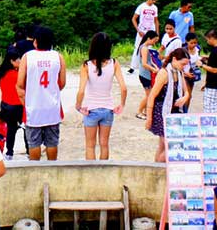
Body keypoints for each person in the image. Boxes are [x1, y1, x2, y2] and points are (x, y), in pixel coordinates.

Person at [16, 25, 67, 161]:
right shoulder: (58, 57)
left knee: (34, 143)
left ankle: (35, 169)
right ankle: (52, 167)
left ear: (35, 41)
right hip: (52, 107)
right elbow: (62, 83)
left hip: (33, 107)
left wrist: (26, 99)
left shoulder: (28, 57)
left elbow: (20, 84)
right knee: (52, 142)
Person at [75, 32, 127, 160]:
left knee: (90, 145)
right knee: (104, 144)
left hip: (91, 110)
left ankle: (92, 171)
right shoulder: (114, 63)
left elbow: (81, 91)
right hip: (108, 109)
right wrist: (122, 104)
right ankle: (104, 169)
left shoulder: (86, 65)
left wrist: (78, 106)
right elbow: (124, 88)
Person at [145, 48, 190, 162]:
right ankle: (160, 167)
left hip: (174, 111)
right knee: (168, 145)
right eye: (182, 64)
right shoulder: (164, 73)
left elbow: (186, 91)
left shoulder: (179, 72)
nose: (184, 67)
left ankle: (157, 167)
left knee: (163, 145)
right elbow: (152, 96)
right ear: (174, 59)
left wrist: (185, 97)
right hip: (162, 111)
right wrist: (149, 117)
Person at [0, 50, 23, 160]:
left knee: (10, 129)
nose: (20, 61)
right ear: (12, 61)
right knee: (26, 129)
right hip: (19, 106)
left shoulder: (0, 74)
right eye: (18, 59)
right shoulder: (19, 74)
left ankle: (9, 152)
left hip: (6, 106)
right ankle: (29, 151)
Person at [130, 0, 160, 73]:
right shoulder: (141, 6)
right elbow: (134, 19)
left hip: (151, 31)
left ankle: (148, 66)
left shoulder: (155, 8)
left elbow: (156, 21)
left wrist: (157, 33)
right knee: (138, 47)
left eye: (155, 0)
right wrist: (138, 30)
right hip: (142, 30)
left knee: (149, 48)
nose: (154, 1)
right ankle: (133, 67)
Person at [135, 30, 161, 119]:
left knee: (149, 94)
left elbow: (150, 61)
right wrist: (154, 69)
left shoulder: (144, 47)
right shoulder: (144, 48)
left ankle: (146, 112)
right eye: (154, 40)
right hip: (145, 75)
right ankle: (139, 112)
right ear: (149, 38)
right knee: (149, 95)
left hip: (146, 74)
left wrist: (155, 67)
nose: (154, 43)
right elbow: (144, 64)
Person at [182, 32, 202, 113]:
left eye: (195, 43)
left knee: (189, 96)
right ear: (187, 41)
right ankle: (184, 113)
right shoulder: (183, 51)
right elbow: (178, 64)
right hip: (184, 75)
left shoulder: (198, 49)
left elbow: (197, 59)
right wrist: (185, 73)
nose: (193, 45)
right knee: (188, 95)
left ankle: (185, 111)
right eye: (191, 43)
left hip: (193, 75)